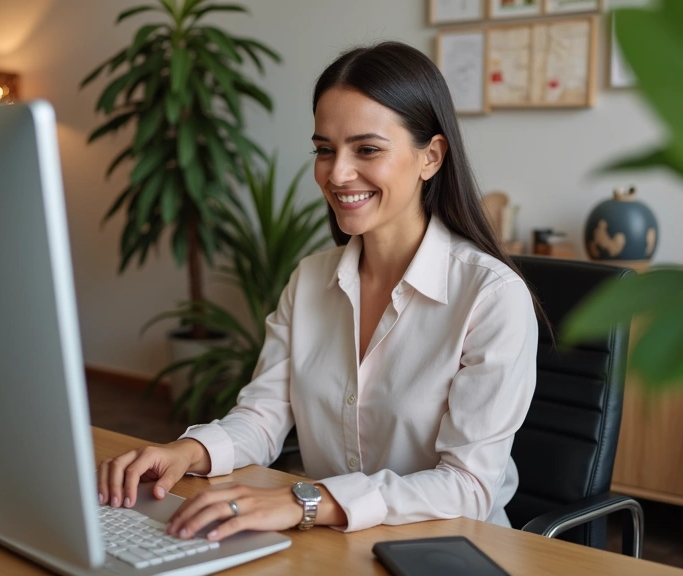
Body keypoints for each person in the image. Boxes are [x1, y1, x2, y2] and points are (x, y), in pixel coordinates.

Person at [97, 41, 539, 542]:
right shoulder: (309, 279)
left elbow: (467, 486)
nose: (337, 173)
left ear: (431, 157)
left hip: (445, 549)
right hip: (332, 540)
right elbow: (263, 418)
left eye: (367, 149)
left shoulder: (491, 296)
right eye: (325, 149)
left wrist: (308, 501)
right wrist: (186, 452)